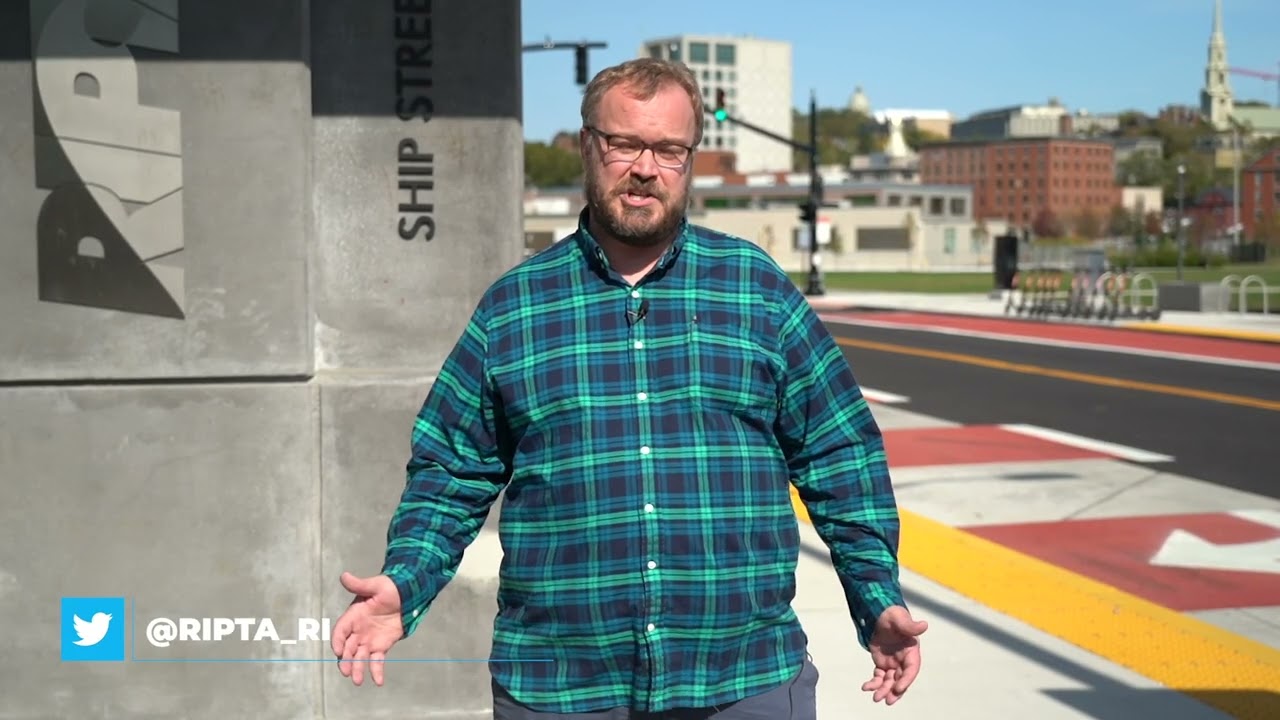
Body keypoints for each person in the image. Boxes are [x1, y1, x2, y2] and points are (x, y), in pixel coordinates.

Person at [330, 57, 926, 718]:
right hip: (561, 687)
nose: (646, 167)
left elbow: (841, 454)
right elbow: (449, 470)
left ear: (690, 158)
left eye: (669, 149)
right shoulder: (516, 307)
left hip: (741, 678)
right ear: (588, 145)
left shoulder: (754, 288)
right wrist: (405, 582)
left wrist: (875, 596)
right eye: (624, 144)